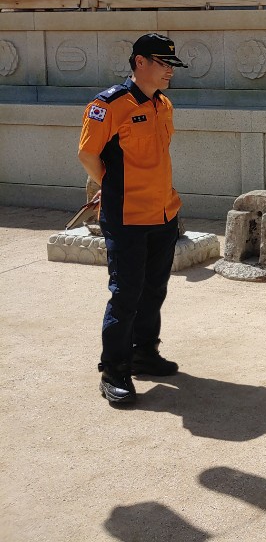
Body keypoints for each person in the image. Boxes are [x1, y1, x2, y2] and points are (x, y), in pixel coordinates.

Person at [78, 33, 189, 405]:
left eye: (172, 65)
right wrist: (109, 185)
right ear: (140, 62)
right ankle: (114, 370)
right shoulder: (109, 105)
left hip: (163, 211)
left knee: (154, 289)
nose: (169, 71)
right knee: (126, 293)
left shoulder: (163, 104)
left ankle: (144, 352)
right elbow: (88, 155)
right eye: (163, 63)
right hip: (127, 215)